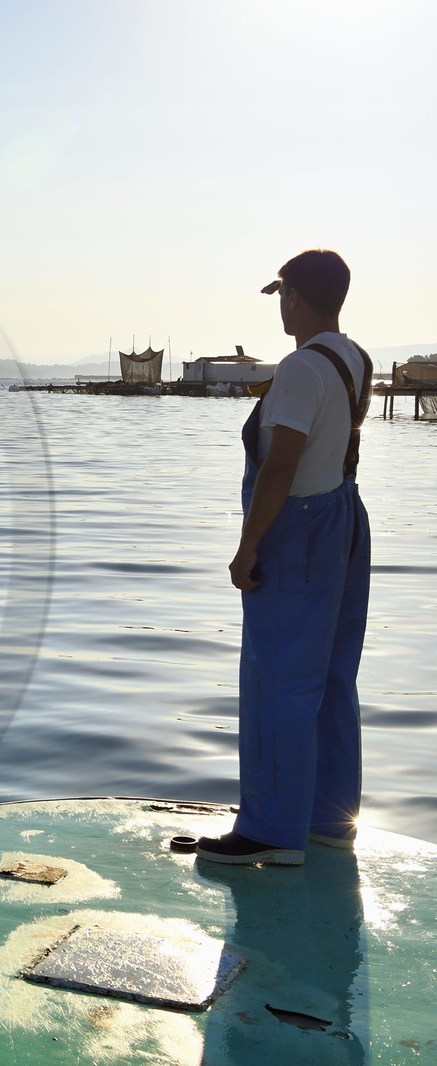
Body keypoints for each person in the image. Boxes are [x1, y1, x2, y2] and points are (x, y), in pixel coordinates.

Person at [197, 249, 373, 866]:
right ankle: (328, 818)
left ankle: (271, 830)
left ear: (295, 296)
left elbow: (281, 462)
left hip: (297, 529)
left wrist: (247, 547)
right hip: (344, 519)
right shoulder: (355, 356)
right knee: (329, 677)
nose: (280, 305)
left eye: (281, 295)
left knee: (277, 680)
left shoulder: (301, 367)